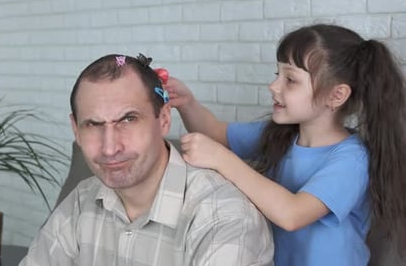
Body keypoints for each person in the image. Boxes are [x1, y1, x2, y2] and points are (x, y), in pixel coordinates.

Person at [167, 24, 406, 266]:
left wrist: (222, 160)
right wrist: (187, 103)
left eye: (290, 79)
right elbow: (217, 133)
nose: (274, 86)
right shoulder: (280, 135)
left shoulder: (352, 160)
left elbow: (292, 214)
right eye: (277, 75)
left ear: (336, 95)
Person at [19, 54, 274, 266]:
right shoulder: (81, 201)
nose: (110, 148)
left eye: (128, 119)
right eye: (93, 124)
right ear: (76, 129)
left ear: (163, 119)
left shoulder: (224, 217)